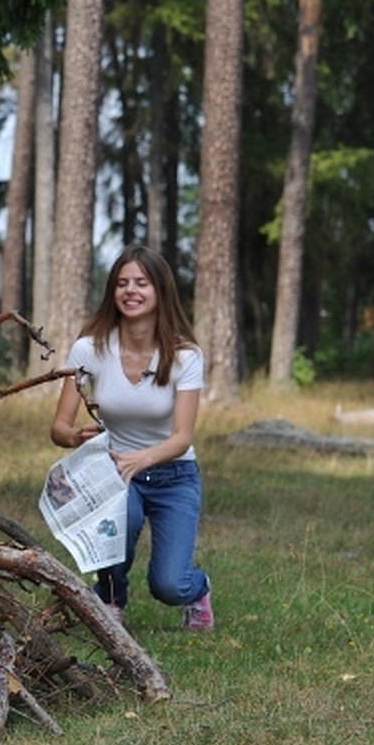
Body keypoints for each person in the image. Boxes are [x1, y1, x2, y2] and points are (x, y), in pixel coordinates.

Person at [50, 244, 214, 631]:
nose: (131, 290)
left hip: (175, 476)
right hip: (115, 473)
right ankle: (110, 600)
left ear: (160, 291)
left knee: (169, 585)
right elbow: (58, 426)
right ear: (112, 292)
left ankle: (198, 589)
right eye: (122, 283)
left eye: (142, 282)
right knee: (120, 525)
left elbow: (183, 436)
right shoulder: (89, 349)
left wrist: (141, 459)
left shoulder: (185, 356)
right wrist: (74, 437)